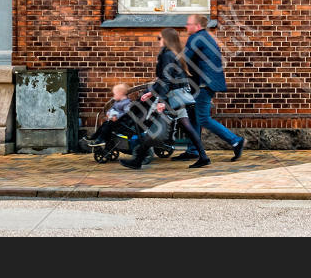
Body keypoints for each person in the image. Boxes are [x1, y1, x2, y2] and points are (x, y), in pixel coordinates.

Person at [123, 27, 209, 169]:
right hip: (178, 96)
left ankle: (137, 160)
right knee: (187, 127)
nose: (158, 41)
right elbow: (167, 78)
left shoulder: (167, 55)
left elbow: (166, 80)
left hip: (172, 98)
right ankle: (204, 157)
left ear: (166, 39)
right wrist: (151, 92)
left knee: (155, 130)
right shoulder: (176, 54)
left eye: (159, 38)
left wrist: (161, 101)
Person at [182, 13, 245, 161]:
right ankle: (193, 149)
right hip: (205, 82)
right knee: (194, 116)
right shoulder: (205, 37)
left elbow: (183, 59)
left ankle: (235, 140)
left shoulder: (196, 38)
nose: (186, 26)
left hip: (204, 84)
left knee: (203, 118)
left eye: (189, 24)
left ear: (197, 26)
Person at [84, 82, 136, 150]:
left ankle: (101, 140)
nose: (113, 96)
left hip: (123, 125)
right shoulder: (117, 102)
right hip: (116, 123)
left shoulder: (127, 103)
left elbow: (127, 113)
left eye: (115, 94)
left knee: (109, 124)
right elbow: (112, 109)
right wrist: (109, 113)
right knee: (105, 124)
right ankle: (94, 136)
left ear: (121, 94)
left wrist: (117, 117)